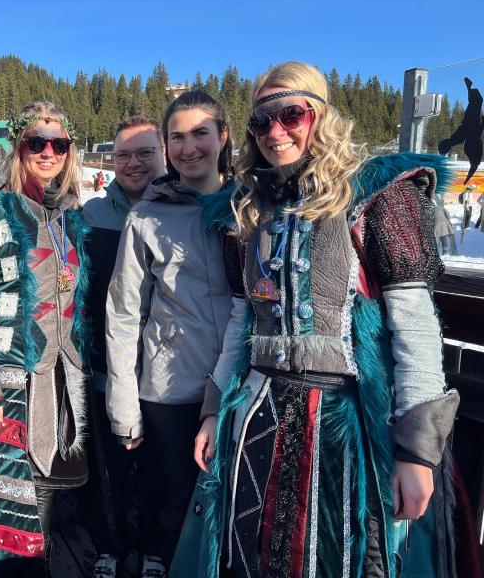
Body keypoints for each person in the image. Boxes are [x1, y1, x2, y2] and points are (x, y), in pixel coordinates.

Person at [174, 61, 459, 578]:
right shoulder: (248, 210)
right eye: (261, 121)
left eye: (291, 115)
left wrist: (418, 452)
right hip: (256, 414)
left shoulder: (378, 196)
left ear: (320, 116)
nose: (275, 131)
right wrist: (214, 411)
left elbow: (415, 325)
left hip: (341, 421)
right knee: (247, 555)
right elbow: (241, 320)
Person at [0, 102, 91, 576]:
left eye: (59, 144)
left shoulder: (68, 215)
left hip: (60, 378)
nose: (48, 152)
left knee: (47, 500)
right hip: (7, 382)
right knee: (5, 511)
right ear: (19, 146)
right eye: (37, 142)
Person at [105, 91, 235, 576]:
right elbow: (123, 313)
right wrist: (124, 403)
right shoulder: (147, 217)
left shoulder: (249, 207)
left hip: (243, 383)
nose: (188, 147)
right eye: (177, 137)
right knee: (180, 499)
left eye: (201, 133)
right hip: (174, 386)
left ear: (223, 136)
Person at [81, 115, 166, 577]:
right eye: (123, 155)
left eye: (144, 153)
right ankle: (108, 547)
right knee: (108, 466)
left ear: (163, 153)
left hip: (167, 369)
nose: (133, 163)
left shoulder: (184, 209)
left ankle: (154, 548)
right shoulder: (92, 215)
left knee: (158, 468)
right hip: (105, 363)